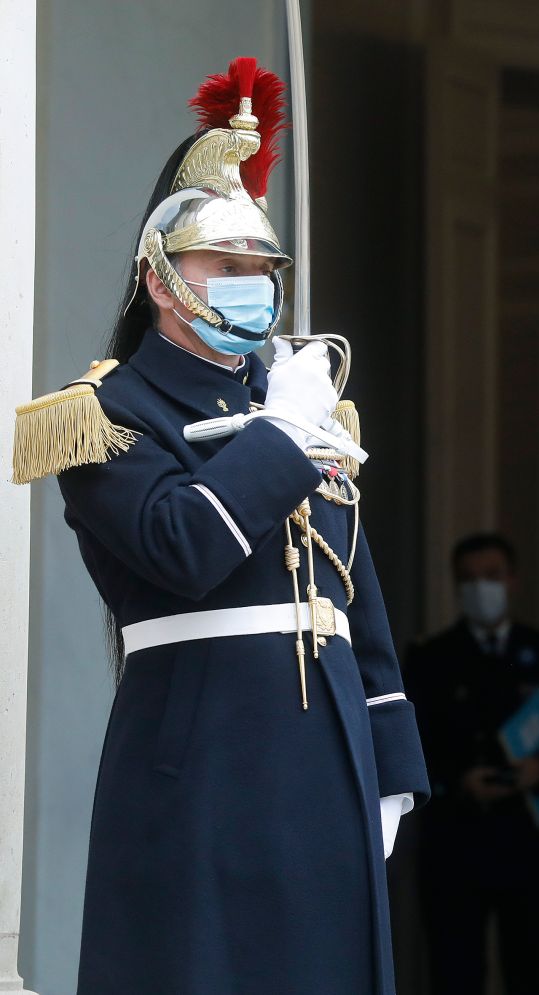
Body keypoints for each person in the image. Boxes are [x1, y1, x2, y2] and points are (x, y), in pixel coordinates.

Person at [10, 58, 428, 994]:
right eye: (226, 268)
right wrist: (281, 433)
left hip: (327, 760)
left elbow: (350, 588)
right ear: (162, 282)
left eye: (262, 270)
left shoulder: (301, 402)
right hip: (203, 757)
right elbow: (182, 546)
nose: (253, 286)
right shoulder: (106, 411)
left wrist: (392, 755)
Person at [405, 532, 539, 995]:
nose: (480, 588)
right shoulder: (430, 658)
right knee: (456, 974)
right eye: (468, 580)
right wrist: (457, 781)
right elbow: (412, 746)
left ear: (512, 580)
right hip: (456, 845)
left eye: (490, 577)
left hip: (534, 845)